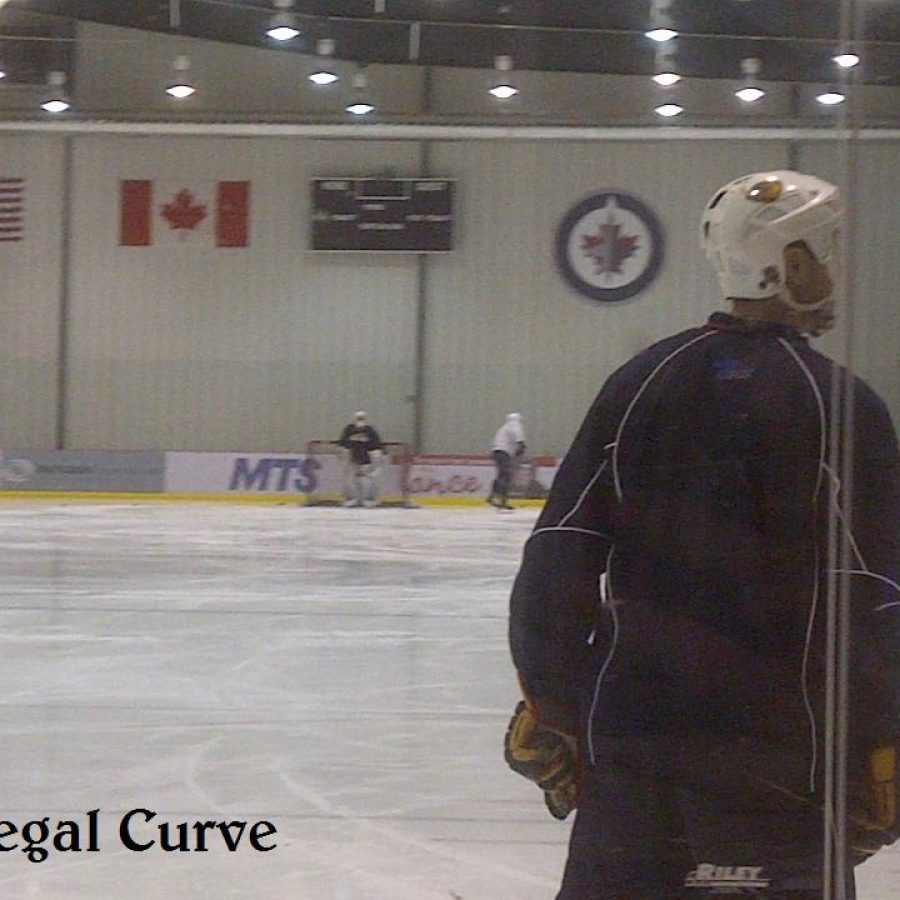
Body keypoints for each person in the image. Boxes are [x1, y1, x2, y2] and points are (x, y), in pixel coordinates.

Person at [505, 171, 900, 898]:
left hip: (632, 761)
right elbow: (874, 594)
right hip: (786, 769)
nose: (835, 271)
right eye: (828, 251)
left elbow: (558, 555)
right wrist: (883, 738)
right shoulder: (842, 407)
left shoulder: (638, 384)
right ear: (792, 264)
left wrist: (553, 702)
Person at [337, 411, 383, 507]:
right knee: (350, 480)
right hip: (352, 459)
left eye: (362, 418)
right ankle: (351, 499)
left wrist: (376, 458)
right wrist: (343, 456)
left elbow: (376, 446)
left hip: (366, 459)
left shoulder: (370, 430)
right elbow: (342, 444)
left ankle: (369, 499)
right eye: (358, 418)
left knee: (368, 479)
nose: (360, 420)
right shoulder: (349, 429)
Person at [488, 412, 526, 510]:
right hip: (503, 452)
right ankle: (501, 500)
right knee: (506, 475)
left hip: (497, 451)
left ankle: (494, 497)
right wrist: (521, 445)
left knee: (502, 475)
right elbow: (518, 436)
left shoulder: (504, 427)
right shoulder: (514, 424)